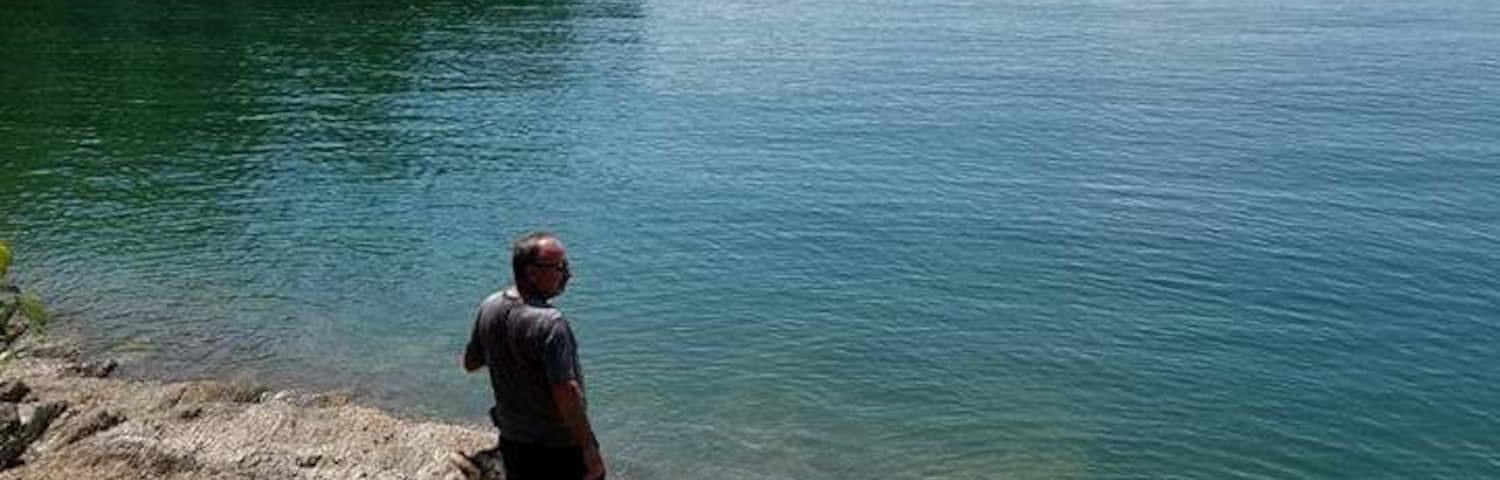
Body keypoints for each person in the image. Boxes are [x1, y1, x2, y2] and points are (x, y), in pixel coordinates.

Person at [462, 231, 605, 480]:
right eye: (560, 267)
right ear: (531, 272)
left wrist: (508, 352)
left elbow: (471, 363)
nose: (568, 274)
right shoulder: (551, 324)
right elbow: (566, 392)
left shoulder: (490, 306)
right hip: (557, 447)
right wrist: (589, 447)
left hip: (513, 440)